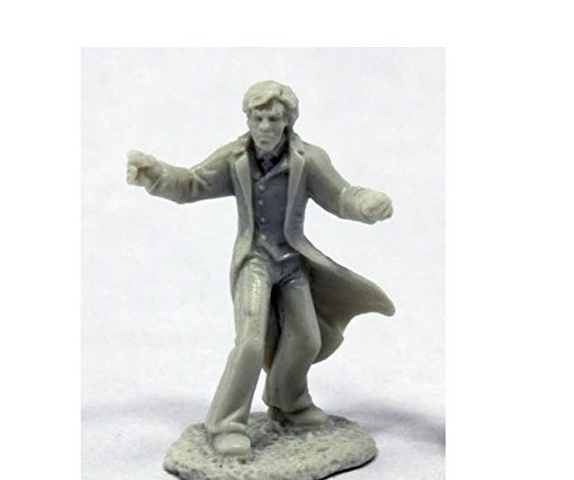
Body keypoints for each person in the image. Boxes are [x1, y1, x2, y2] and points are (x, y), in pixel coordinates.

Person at [126, 80, 394, 456]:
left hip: (292, 261)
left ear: (288, 121)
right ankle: (225, 424)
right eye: (258, 118)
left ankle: (288, 402)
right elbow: (192, 183)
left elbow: (340, 195)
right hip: (254, 260)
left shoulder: (308, 159)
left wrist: (367, 203)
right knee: (250, 342)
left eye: (274, 118)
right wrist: (156, 175)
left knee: (307, 338)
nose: (266, 126)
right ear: (248, 119)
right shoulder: (234, 157)